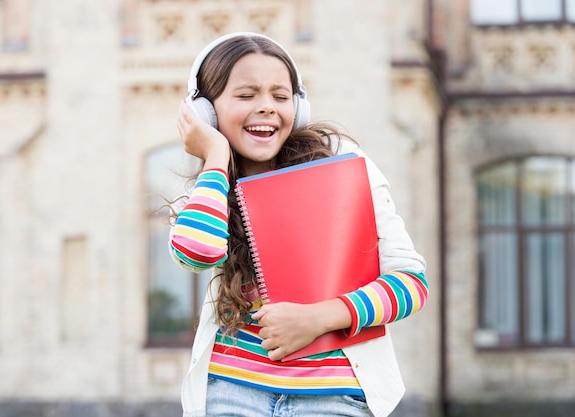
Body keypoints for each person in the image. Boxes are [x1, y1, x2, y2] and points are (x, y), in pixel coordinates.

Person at [170, 32, 428, 417]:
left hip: (334, 398)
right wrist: (216, 155)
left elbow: (411, 282)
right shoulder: (213, 183)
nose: (266, 107)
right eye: (246, 95)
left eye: (280, 95)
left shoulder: (345, 166)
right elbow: (197, 254)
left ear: (299, 105)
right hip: (231, 393)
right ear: (207, 111)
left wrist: (318, 318)